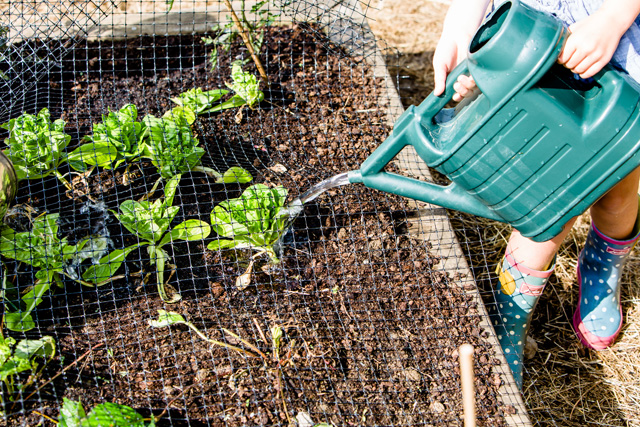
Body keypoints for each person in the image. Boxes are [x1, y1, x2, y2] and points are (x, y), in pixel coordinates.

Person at [432, 0, 640, 389]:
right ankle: (509, 318)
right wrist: (459, 29)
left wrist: (617, 16)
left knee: (619, 186)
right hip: (539, 31)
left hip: (622, 37)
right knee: (551, 189)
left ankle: (601, 262)